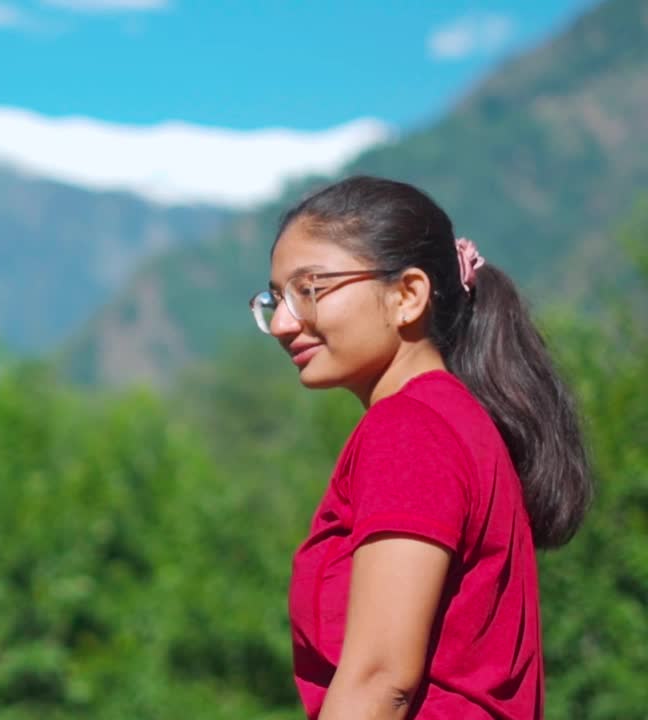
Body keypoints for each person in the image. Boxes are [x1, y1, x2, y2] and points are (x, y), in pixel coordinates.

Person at [248, 176, 591, 719]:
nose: (285, 323)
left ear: (408, 295)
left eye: (309, 290)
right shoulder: (455, 421)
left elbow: (381, 681)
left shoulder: (411, 428)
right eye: (276, 299)